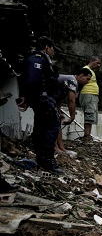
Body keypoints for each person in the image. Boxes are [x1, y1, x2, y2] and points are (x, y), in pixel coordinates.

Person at [17, 36, 63, 173]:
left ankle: (42, 160)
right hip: (43, 99)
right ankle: (47, 161)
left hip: (43, 99)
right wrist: (28, 97)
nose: (54, 52)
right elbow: (31, 80)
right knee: (51, 127)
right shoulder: (37, 59)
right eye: (53, 49)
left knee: (42, 128)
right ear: (47, 47)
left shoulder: (40, 59)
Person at [54, 68, 92, 153]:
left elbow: (58, 97)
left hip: (52, 101)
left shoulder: (71, 81)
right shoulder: (73, 81)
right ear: (82, 75)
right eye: (87, 79)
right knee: (52, 123)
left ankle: (61, 147)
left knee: (57, 122)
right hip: (45, 98)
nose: (88, 82)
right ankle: (54, 147)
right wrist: (72, 117)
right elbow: (71, 100)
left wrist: (58, 111)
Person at [79, 56, 101, 141]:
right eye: (97, 63)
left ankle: (88, 135)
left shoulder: (91, 71)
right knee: (89, 113)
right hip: (88, 94)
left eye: (99, 63)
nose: (98, 65)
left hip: (92, 95)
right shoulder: (86, 70)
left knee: (91, 115)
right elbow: (80, 81)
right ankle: (86, 135)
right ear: (92, 61)